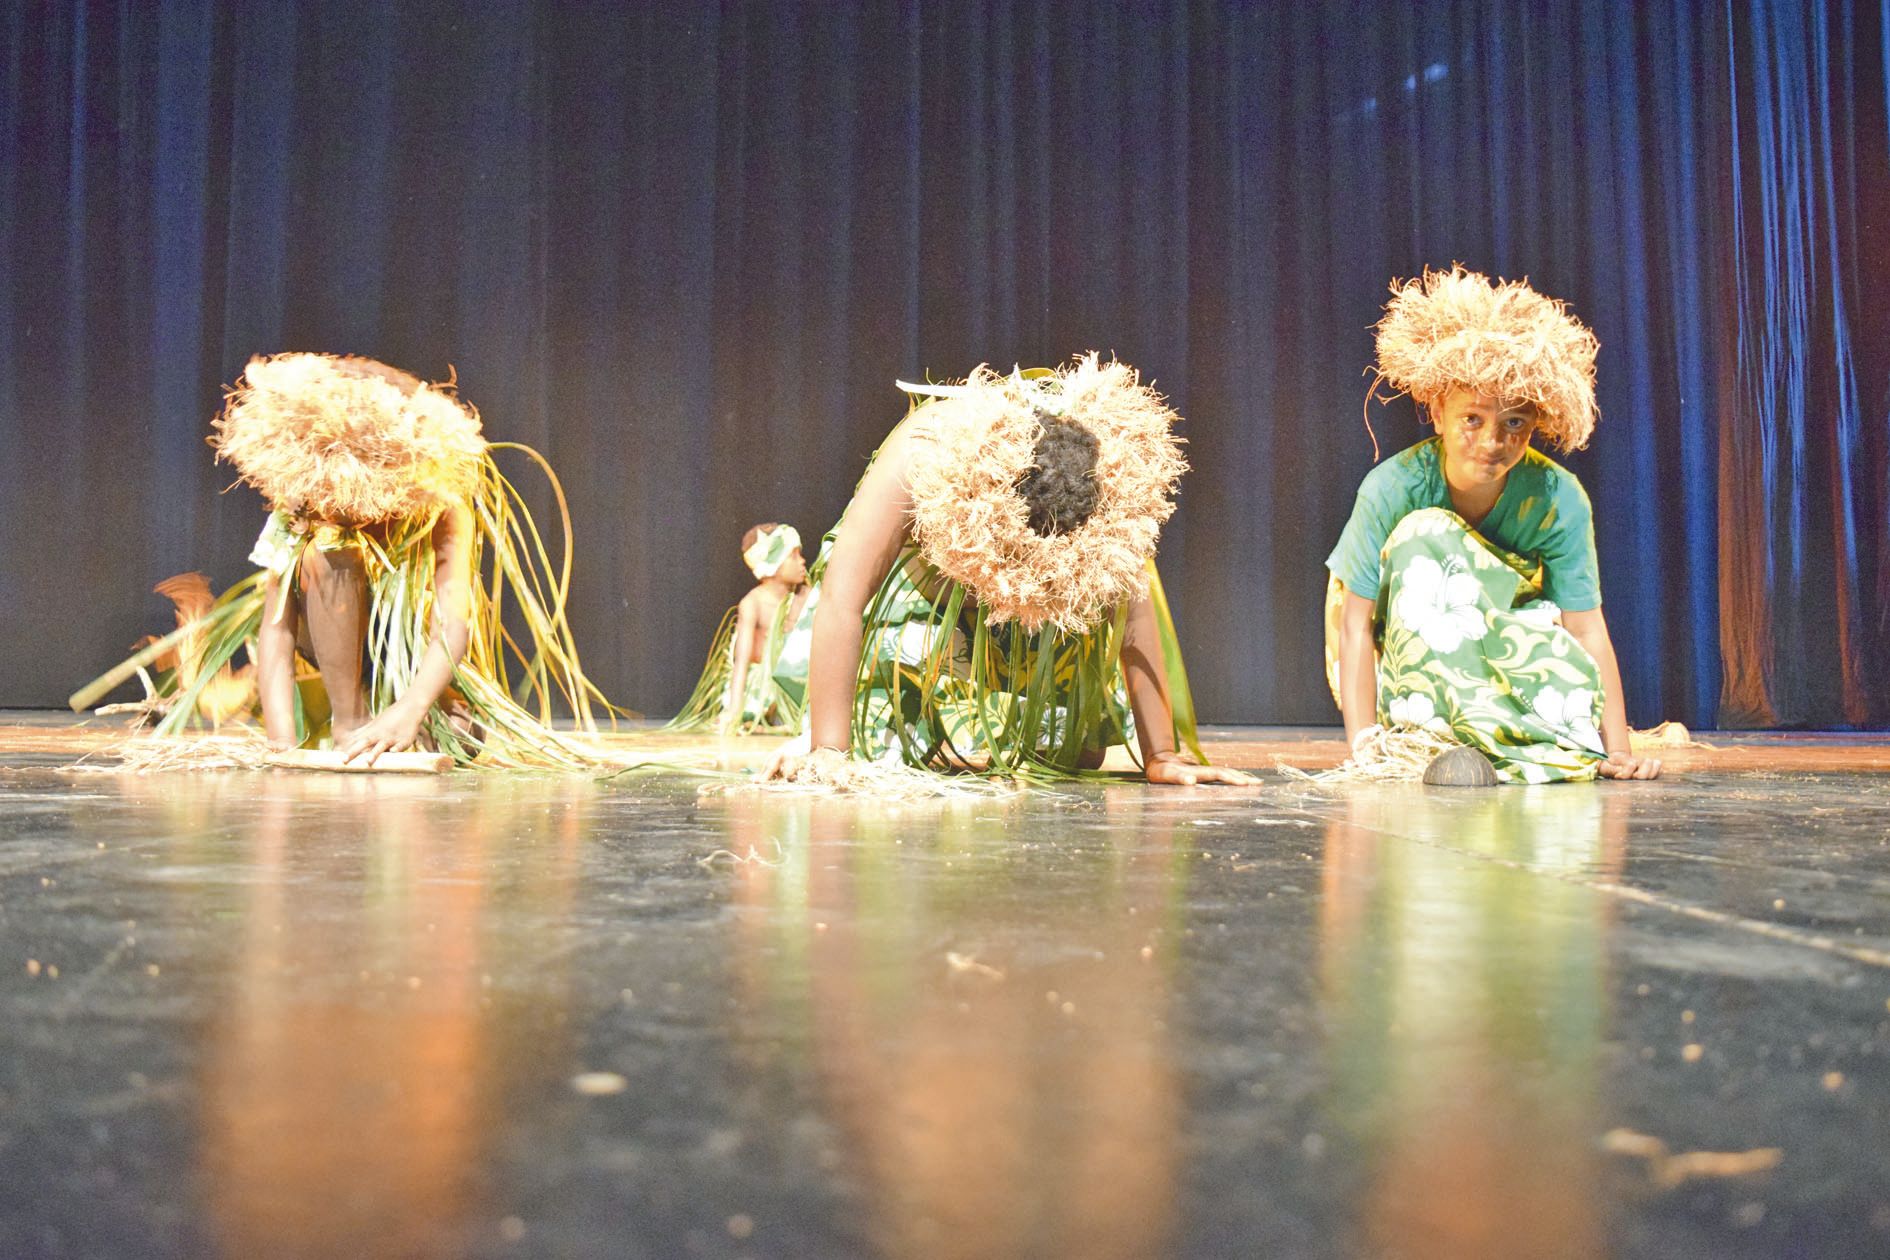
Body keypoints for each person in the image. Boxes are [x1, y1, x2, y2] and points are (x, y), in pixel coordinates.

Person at [73, 352, 612, 769]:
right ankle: (349, 722)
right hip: (330, 676)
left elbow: (454, 622)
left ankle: (383, 720)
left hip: (412, 679)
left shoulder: (439, 504)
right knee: (329, 550)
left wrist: (409, 711)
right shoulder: (307, 504)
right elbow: (276, 633)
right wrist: (283, 745)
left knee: (464, 738)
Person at [767, 354, 1252, 787]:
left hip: (1035, 616)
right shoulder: (922, 452)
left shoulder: (1111, 491)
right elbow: (842, 599)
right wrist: (829, 750)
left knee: (1077, 749)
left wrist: (1160, 754)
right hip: (930, 598)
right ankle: (902, 718)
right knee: (885, 752)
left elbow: (1135, 617)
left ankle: (990, 725)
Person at [1325, 266, 1661, 783]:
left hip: (1508, 647)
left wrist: (1616, 749)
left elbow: (1585, 625)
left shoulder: (1559, 498)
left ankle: (1508, 739)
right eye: (1473, 420)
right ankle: (1430, 739)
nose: (1491, 442)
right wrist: (1364, 746)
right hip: (1409, 649)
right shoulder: (1392, 488)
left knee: (1564, 709)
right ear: (1438, 412)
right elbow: (1354, 625)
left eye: (1514, 424)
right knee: (1424, 534)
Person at [668, 523, 814, 733]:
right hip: (760, 686)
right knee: (751, 711)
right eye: (793, 556)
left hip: (791, 682)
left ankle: (789, 719)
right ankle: (756, 721)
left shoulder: (803, 597)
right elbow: (742, 661)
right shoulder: (752, 603)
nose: (802, 561)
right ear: (774, 563)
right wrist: (734, 709)